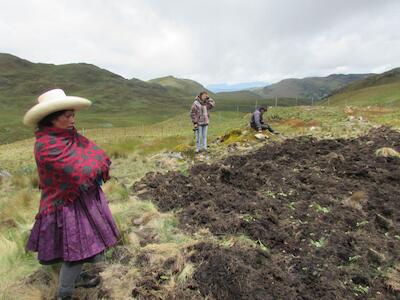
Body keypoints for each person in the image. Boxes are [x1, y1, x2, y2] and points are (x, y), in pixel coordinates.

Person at [23, 89, 120, 300]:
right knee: (75, 252)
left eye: (73, 114)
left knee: (85, 245)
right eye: (67, 116)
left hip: (82, 200)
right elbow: (78, 172)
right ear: (52, 119)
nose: (72, 119)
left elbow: (95, 156)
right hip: (65, 205)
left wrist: (95, 166)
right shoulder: (46, 145)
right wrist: (94, 167)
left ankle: (78, 279)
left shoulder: (69, 136)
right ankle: (64, 294)